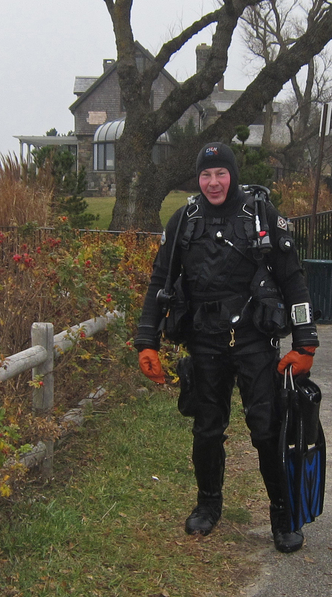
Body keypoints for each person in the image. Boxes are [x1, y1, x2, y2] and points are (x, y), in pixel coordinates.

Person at [134, 142, 319, 553]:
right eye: (206, 175)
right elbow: (159, 281)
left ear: (233, 174)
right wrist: (146, 341)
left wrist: (305, 341)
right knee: (206, 429)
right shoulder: (184, 221)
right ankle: (208, 505)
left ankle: (282, 514)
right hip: (204, 340)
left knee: (266, 430)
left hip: (254, 339)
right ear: (198, 179)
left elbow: (293, 280)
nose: (213, 182)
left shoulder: (261, 216)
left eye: (220, 173)